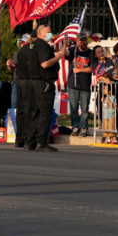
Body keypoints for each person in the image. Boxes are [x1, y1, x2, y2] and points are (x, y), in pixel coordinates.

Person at [27, 21, 62, 152]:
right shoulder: (43, 46)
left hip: (32, 83)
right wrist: (58, 57)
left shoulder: (31, 46)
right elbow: (45, 64)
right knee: (45, 113)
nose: (50, 34)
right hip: (43, 83)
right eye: (48, 32)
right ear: (40, 34)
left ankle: (30, 141)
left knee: (35, 113)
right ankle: (41, 141)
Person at [62, 32, 94, 136]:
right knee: (74, 108)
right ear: (77, 41)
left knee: (84, 109)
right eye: (81, 40)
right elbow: (64, 53)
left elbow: (92, 68)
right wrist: (64, 45)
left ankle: (84, 127)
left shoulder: (90, 53)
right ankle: (75, 127)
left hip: (85, 85)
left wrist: (79, 70)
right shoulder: (73, 51)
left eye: (85, 40)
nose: (83, 42)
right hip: (73, 84)